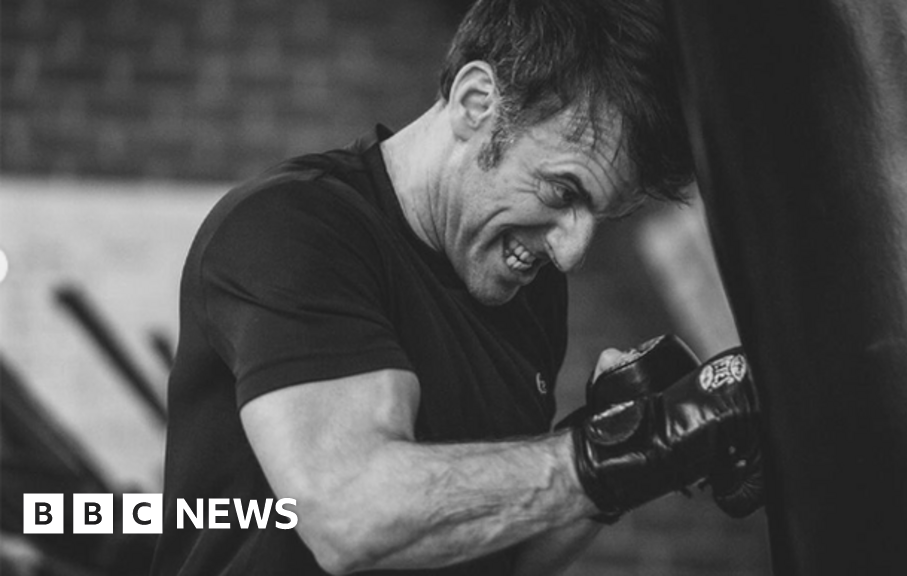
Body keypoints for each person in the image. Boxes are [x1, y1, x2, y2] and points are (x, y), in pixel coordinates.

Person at [151, 1, 760, 575]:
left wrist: (615, 437)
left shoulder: (527, 287)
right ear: (475, 102)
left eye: (602, 216)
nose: (571, 253)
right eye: (562, 192)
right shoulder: (292, 230)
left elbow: (494, 554)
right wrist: (637, 446)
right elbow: (350, 512)